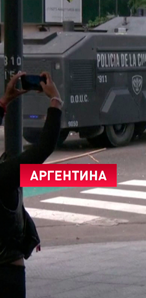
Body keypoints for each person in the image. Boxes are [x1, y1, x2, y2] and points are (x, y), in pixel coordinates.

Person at [0, 71, 63, 298]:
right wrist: (55, 100)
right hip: (7, 273)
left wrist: (4, 102)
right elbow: (42, 148)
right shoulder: (4, 174)